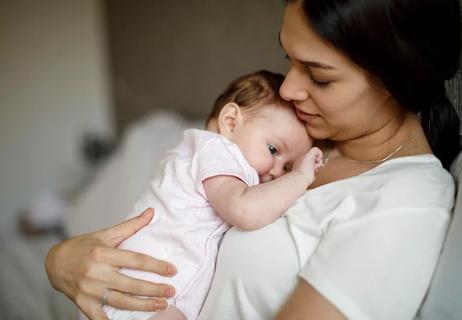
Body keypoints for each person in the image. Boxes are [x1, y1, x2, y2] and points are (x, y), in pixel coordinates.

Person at [45, 0, 462, 319]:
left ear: (395, 77)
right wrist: (59, 260)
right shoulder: (294, 135)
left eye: (318, 76)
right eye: (288, 60)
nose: (289, 90)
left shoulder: (405, 200)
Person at [90, 70, 323, 320]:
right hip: (138, 296)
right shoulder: (215, 151)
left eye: (287, 166)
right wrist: (299, 177)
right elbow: (244, 210)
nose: (278, 172)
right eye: (273, 149)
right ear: (231, 122)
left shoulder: (216, 159)